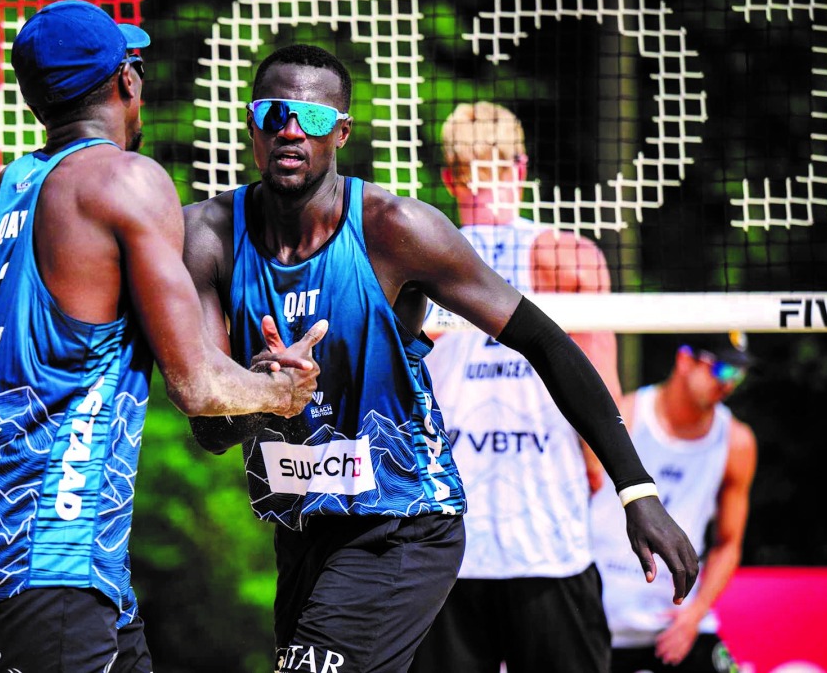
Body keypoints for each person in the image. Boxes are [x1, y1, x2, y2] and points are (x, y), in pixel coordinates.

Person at [182, 43, 698, 673]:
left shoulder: (396, 229)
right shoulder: (207, 236)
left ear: (341, 132)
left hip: (404, 523)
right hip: (303, 527)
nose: (291, 129)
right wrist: (265, 397)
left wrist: (636, 491)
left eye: (312, 117)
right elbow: (210, 433)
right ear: (251, 125)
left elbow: (548, 342)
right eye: (274, 113)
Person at [0, 0, 324, 673]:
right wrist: (280, 392)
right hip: (52, 547)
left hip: (6, 539)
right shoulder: (127, 181)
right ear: (126, 80)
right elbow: (197, 385)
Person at [410, 101, 619, 673]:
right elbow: (602, 397)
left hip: (444, 531)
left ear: (450, 177)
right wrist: (599, 479)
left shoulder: (413, 259)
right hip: (548, 530)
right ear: (521, 167)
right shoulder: (570, 257)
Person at [591, 333, 757, 673]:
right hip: (601, 620)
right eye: (722, 369)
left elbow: (728, 544)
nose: (729, 383)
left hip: (676, 624)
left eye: (738, 374)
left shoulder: (736, 442)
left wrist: (694, 615)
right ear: (685, 360)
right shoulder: (626, 416)